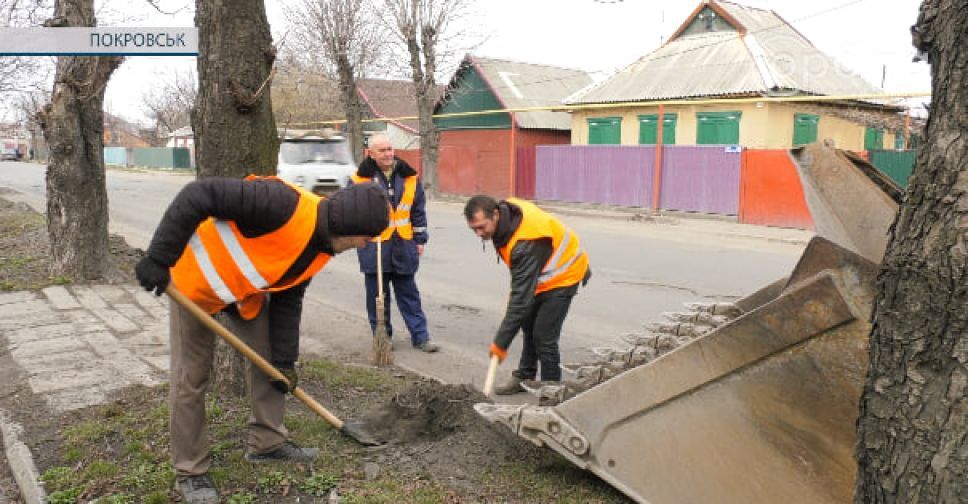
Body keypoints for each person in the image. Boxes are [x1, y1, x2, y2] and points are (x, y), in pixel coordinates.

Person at [134, 176, 390, 504]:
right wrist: (158, 258)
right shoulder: (280, 202)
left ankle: (268, 443)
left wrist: (284, 362)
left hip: (240, 294)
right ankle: (191, 471)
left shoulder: (321, 248)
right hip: (193, 282)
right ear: (351, 225)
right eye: (366, 237)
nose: (365, 245)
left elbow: (288, 298)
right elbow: (199, 193)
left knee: (270, 364)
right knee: (191, 377)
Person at [463, 195, 590, 394]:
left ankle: (552, 393)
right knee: (527, 324)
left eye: (482, 227)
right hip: (540, 274)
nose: (479, 233)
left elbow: (520, 301)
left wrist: (500, 343)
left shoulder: (525, 242)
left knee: (543, 336)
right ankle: (525, 376)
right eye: (474, 229)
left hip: (564, 275)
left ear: (495, 215)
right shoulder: (506, 218)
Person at [350, 134, 438, 352]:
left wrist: (420, 239)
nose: (389, 153)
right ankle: (383, 337)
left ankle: (421, 337)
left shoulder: (409, 177)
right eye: (382, 150)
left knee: (409, 294)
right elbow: (349, 212)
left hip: (403, 245)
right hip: (374, 247)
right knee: (378, 296)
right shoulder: (359, 180)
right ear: (370, 153)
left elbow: (417, 211)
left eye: (390, 149)